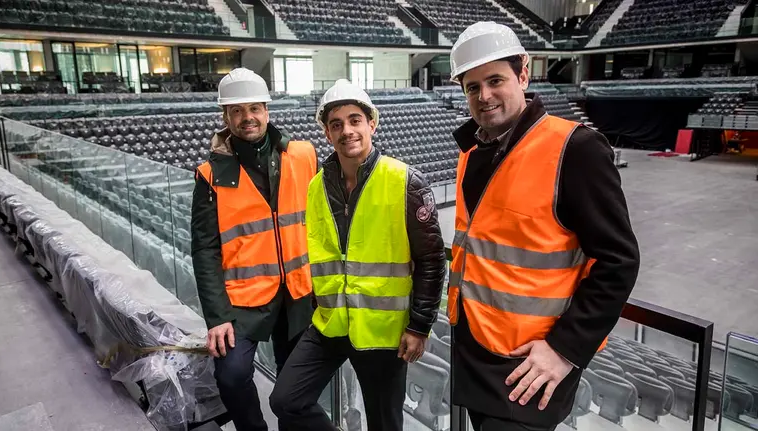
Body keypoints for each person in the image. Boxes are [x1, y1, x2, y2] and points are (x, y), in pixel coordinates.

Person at [447, 22, 641, 431]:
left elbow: (618, 261)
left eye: (495, 80)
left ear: (523, 73)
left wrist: (565, 349)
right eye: (472, 86)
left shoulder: (575, 149)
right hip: (474, 348)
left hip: (531, 363)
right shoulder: (472, 154)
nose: (484, 96)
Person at [269, 79, 446, 431]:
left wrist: (420, 325)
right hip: (331, 324)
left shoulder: (405, 181)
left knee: (384, 424)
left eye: (354, 120)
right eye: (336, 124)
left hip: (383, 333)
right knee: (285, 400)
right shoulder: (317, 186)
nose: (346, 131)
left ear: (372, 124)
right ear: (326, 132)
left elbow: (432, 259)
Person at [191, 67, 317, 431]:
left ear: (267, 110)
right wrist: (217, 318)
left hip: (297, 293)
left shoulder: (303, 155)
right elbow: (205, 250)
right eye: (237, 111)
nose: (248, 118)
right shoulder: (211, 175)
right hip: (243, 302)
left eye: (254, 109)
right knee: (231, 375)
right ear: (225, 116)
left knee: (292, 384)